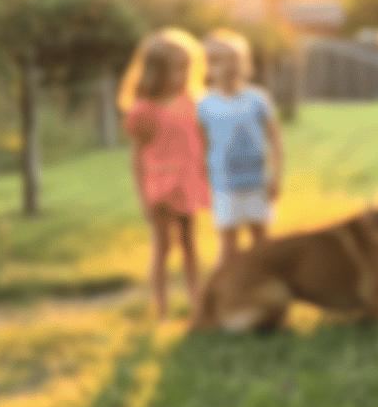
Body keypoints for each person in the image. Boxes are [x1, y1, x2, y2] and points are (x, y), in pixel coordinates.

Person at [118, 28, 209, 320]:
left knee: (190, 245)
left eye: (185, 69)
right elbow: (137, 157)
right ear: (155, 72)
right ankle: (161, 308)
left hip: (188, 183)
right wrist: (143, 197)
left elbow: (201, 145)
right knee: (162, 247)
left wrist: (206, 175)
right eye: (175, 70)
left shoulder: (192, 104)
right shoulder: (144, 111)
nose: (181, 76)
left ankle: (198, 302)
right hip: (161, 186)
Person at [198, 29, 284, 262]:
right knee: (228, 248)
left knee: (262, 243)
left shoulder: (258, 98)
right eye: (219, 61)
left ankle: (264, 290)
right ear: (208, 66)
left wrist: (276, 176)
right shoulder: (204, 104)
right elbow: (201, 147)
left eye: (235, 60)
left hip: (257, 183)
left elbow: (275, 139)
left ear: (245, 63)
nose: (228, 67)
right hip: (225, 187)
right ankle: (226, 295)